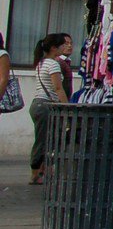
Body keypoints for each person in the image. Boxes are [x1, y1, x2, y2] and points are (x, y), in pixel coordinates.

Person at [28, 33, 73, 185]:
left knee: (44, 138)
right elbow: (58, 88)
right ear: (54, 48)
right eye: (62, 45)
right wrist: (67, 107)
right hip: (45, 105)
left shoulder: (42, 63)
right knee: (43, 140)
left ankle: (41, 169)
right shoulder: (53, 64)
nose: (66, 47)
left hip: (38, 104)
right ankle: (35, 173)